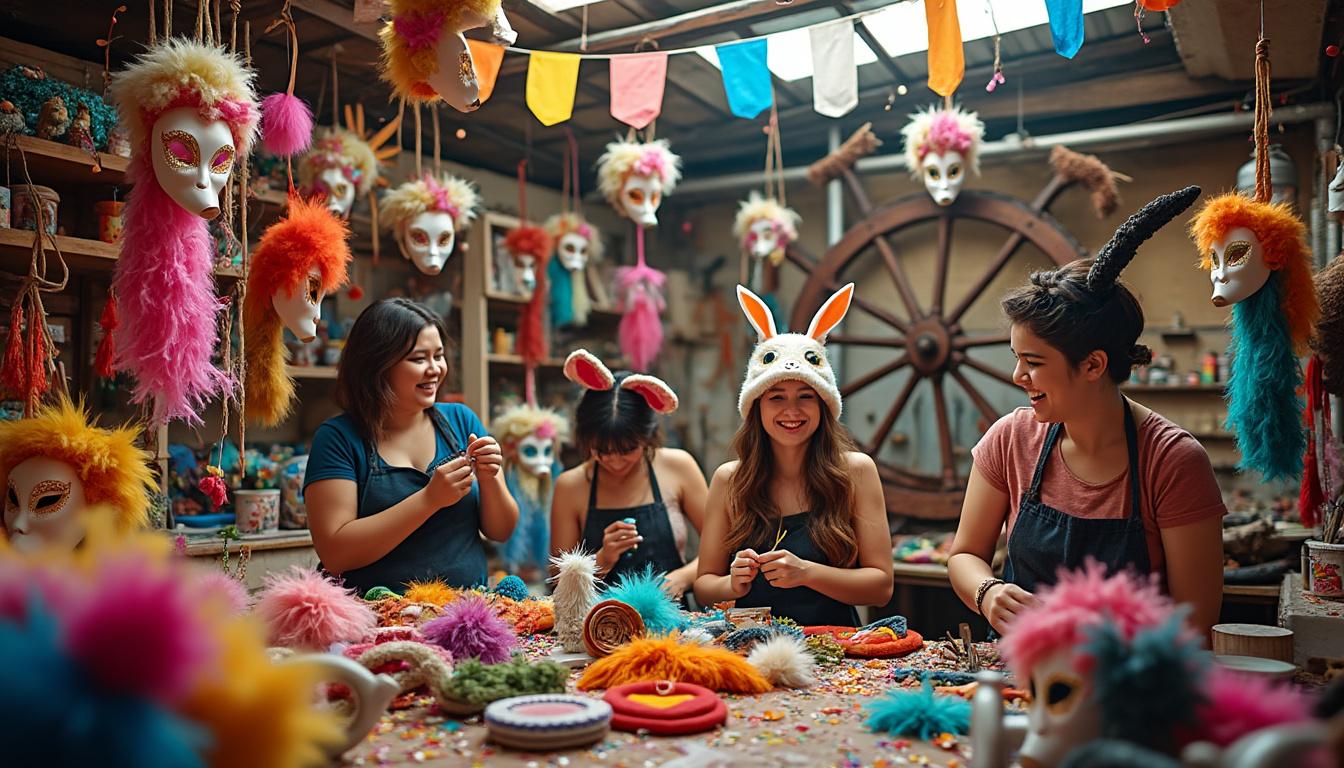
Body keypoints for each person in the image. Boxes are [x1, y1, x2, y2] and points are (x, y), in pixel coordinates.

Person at [947, 187, 1226, 637]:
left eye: (1034, 363)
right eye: (1018, 358)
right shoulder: (1011, 439)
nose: (1018, 376)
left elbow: (1194, 622)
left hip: (1126, 685)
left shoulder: (1172, 460)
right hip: (1020, 674)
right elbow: (964, 556)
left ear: (1093, 364)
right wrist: (987, 592)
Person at [695, 284, 893, 626]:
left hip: (837, 654)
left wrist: (807, 573)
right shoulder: (729, 479)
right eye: (776, 397)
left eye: (805, 396)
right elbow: (704, 586)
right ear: (755, 406)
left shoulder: (856, 471)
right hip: (750, 650)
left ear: (824, 404)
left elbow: (880, 586)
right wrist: (732, 582)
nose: (792, 411)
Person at [304, 298, 518, 593]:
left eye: (439, 356)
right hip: (378, 619)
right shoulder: (338, 438)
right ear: (377, 364)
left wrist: (490, 477)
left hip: (467, 614)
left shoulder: (461, 421)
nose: (435, 369)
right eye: (419, 359)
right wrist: (429, 499)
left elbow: (501, 530)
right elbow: (335, 553)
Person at [549, 350, 707, 601]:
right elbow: (557, 582)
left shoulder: (679, 467)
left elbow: (722, 547)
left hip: (673, 626)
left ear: (648, 436)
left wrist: (682, 578)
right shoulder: (571, 486)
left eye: (628, 450)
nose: (615, 461)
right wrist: (601, 560)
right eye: (602, 451)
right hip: (597, 627)